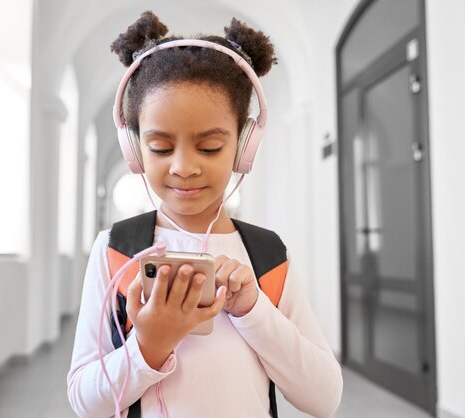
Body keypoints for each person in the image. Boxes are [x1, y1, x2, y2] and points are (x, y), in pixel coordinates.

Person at [67, 11, 343, 418]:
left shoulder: (267, 256)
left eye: (210, 147)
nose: (183, 166)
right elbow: (84, 402)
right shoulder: (117, 250)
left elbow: (325, 398)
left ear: (244, 145)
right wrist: (150, 346)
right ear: (134, 148)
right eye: (161, 147)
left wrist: (253, 311)